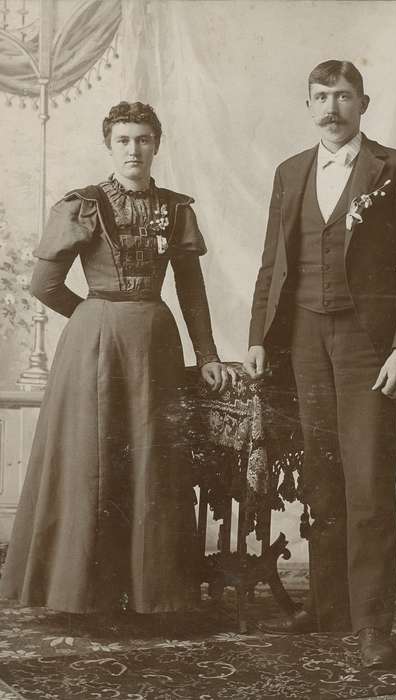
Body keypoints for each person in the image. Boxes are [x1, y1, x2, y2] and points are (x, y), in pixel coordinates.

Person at [0, 101, 235, 617]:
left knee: (153, 458)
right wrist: (92, 316)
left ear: (157, 144)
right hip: (96, 347)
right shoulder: (83, 204)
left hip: (155, 346)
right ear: (110, 145)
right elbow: (44, 283)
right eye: (124, 139)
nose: (134, 149)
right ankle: (85, 592)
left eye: (144, 139)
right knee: (94, 458)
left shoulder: (176, 209)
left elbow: (191, 290)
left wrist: (209, 355)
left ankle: (152, 593)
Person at [243, 61, 396, 667]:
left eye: (343, 96)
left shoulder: (395, 169)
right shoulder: (290, 172)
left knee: (369, 482)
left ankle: (374, 623)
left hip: (366, 345)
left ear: (364, 102)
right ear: (307, 104)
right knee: (321, 480)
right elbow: (272, 262)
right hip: (301, 339)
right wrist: (257, 338)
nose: (332, 108)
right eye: (321, 97)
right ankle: (329, 606)